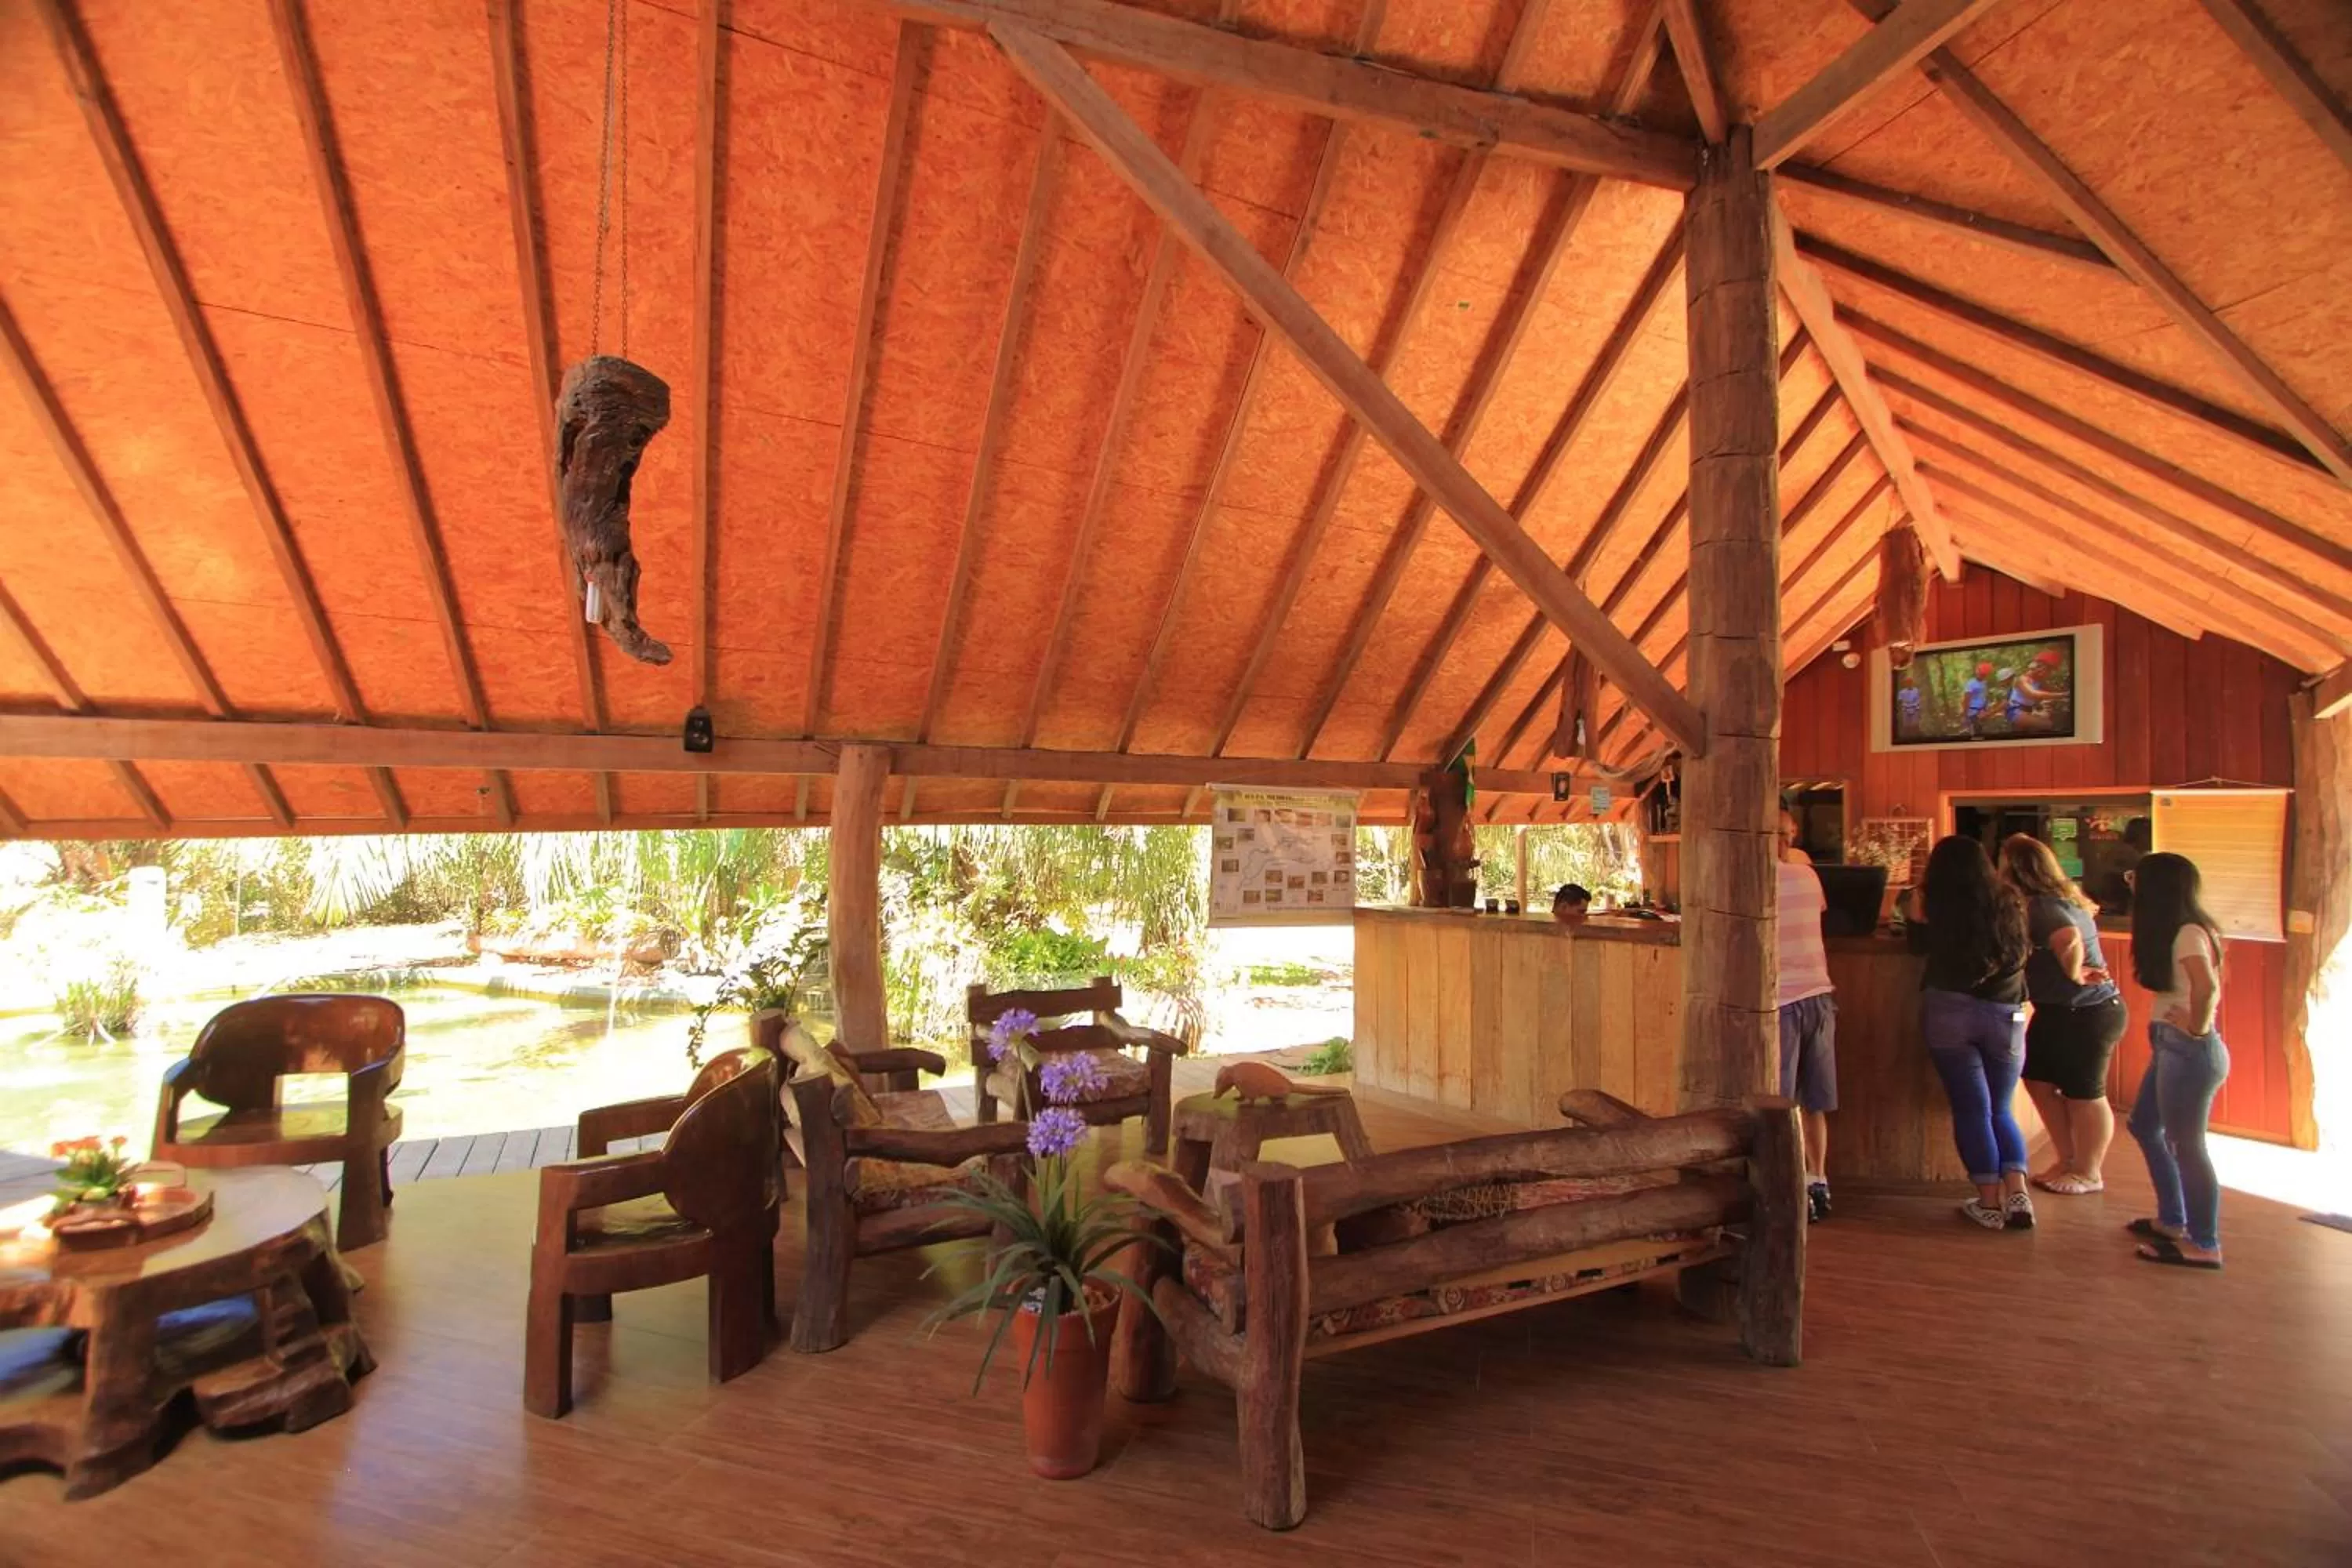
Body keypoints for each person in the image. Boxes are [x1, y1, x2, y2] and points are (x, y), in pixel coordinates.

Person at [1908, 836, 2034, 1231]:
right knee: (2001, 1107)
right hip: (2008, 1013)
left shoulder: (1931, 899)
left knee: (1972, 1109)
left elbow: (1915, 946)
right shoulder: (2010, 899)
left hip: (1950, 1010)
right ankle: (2018, 1195)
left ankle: (1989, 1203)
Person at [1998, 834, 2127, 1196]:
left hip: (2087, 1011)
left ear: (2018, 868)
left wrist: (2073, 973)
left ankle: (2089, 1171)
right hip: (2060, 1011)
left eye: (2003, 861)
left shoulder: (2043, 905)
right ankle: (2068, 1159)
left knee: (2085, 1092)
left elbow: (2068, 938)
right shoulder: (2055, 900)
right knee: (2037, 1078)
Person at [2125, 852, 2230, 1270]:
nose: (2130, 884)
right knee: (2145, 1125)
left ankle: (2205, 1243)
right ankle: (2172, 1219)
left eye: (2137, 878)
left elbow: (2207, 987)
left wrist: (2197, 1027)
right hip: (2174, 1045)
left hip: (2188, 1050)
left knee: (2187, 1145)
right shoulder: (2182, 930)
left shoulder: (2188, 932)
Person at [1776, 812, 1837, 1223]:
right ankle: (1818, 1179)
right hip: (1818, 995)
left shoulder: (1755, 880)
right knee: (1814, 1101)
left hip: (1778, 1000)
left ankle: (1785, 1187)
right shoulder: (1807, 877)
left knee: (1779, 1105)